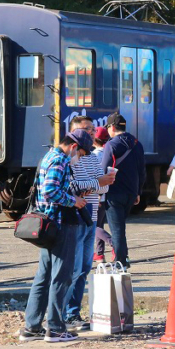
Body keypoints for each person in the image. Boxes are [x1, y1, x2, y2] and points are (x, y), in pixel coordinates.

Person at [18, 130, 92, 343]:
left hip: (48, 225)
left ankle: (31, 327)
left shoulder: (48, 156)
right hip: (60, 225)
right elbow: (51, 191)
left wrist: (74, 194)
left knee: (44, 276)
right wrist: (74, 201)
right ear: (74, 147)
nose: (80, 158)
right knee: (62, 276)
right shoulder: (60, 160)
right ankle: (56, 328)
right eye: (82, 153)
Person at [64, 122, 116, 330]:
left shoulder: (93, 158)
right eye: (85, 129)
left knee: (84, 268)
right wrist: (96, 183)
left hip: (91, 217)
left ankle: (73, 313)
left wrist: (103, 182)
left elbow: (100, 188)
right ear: (74, 131)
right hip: (74, 219)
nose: (90, 133)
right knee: (72, 268)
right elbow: (71, 187)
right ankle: (65, 313)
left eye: (92, 130)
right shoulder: (70, 158)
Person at [99, 112, 146, 269]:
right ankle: (123, 259)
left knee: (117, 229)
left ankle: (120, 263)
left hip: (114, 193)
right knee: (121, 228)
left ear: (112, 127)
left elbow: (103, 170)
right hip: (131, 193)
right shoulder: (137, 143)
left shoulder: (111, 145)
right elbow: (142, 171)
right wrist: (138, 192)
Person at [92, 126, 114, 263]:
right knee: (99, 224)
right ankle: (99, 253)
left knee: (93, 226)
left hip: (96, 194)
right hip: (106, 193)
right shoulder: (109, 153)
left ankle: (113, 243)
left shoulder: (94, 155)